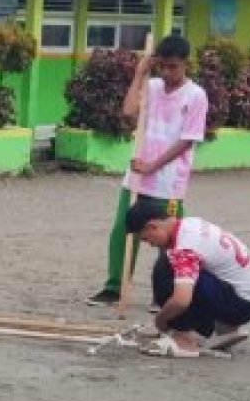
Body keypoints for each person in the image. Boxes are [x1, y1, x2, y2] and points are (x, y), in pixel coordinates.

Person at [87, 36, 209, 307]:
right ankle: (115, 287)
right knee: (123, 230)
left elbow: (187, 141)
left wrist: (153, 166)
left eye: (173, 67)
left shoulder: (195, 95)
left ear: (185, 64)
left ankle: (164, 293)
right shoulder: (152, 87)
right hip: (137, 178)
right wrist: (139, 73)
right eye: (162, 67)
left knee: (168, 239)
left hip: (169, 183)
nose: (167, 73)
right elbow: (129, 112)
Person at [129, 202, 250, 358]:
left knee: (165, 268)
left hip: (239, 303)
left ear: (153, 227)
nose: (150, 245)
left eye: (146, 239)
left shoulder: (185, 247)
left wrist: (160, 321)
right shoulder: (192, 223)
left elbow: (181, 300)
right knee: (182, 270)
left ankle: (184, 340)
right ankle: (223, 327)